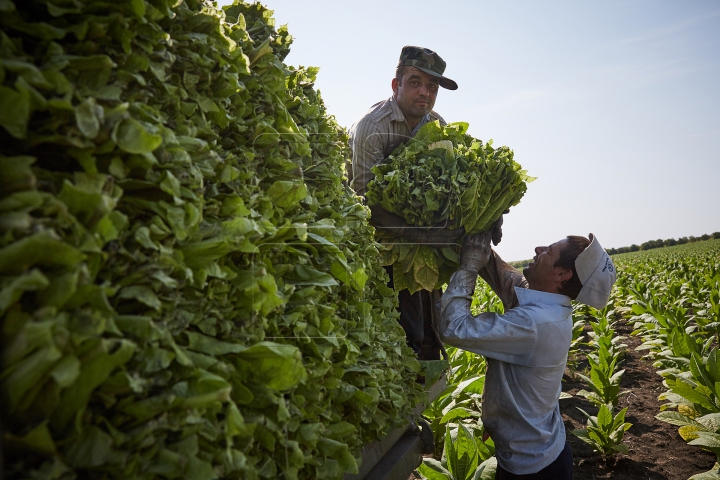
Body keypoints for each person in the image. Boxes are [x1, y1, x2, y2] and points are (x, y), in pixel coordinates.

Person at [437, 231, 617, 479]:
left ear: (562, 274)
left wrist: (469, 266)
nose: (538, 248)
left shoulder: (537, 323)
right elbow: (505, 277)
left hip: (533, 468)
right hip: (540, 450)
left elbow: (453, 327)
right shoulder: (548, 304)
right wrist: (478, 237)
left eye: (549, 251)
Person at [347, 45, 465, 360]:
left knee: (431, 331)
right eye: (415, 82)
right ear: (396, 85)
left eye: (432, 86)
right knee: (403, 330)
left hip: (419, 241)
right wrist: (422, 235)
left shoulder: (436, 125)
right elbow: (364, 202)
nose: (424, 92)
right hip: (372, 239)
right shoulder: (373, 125)